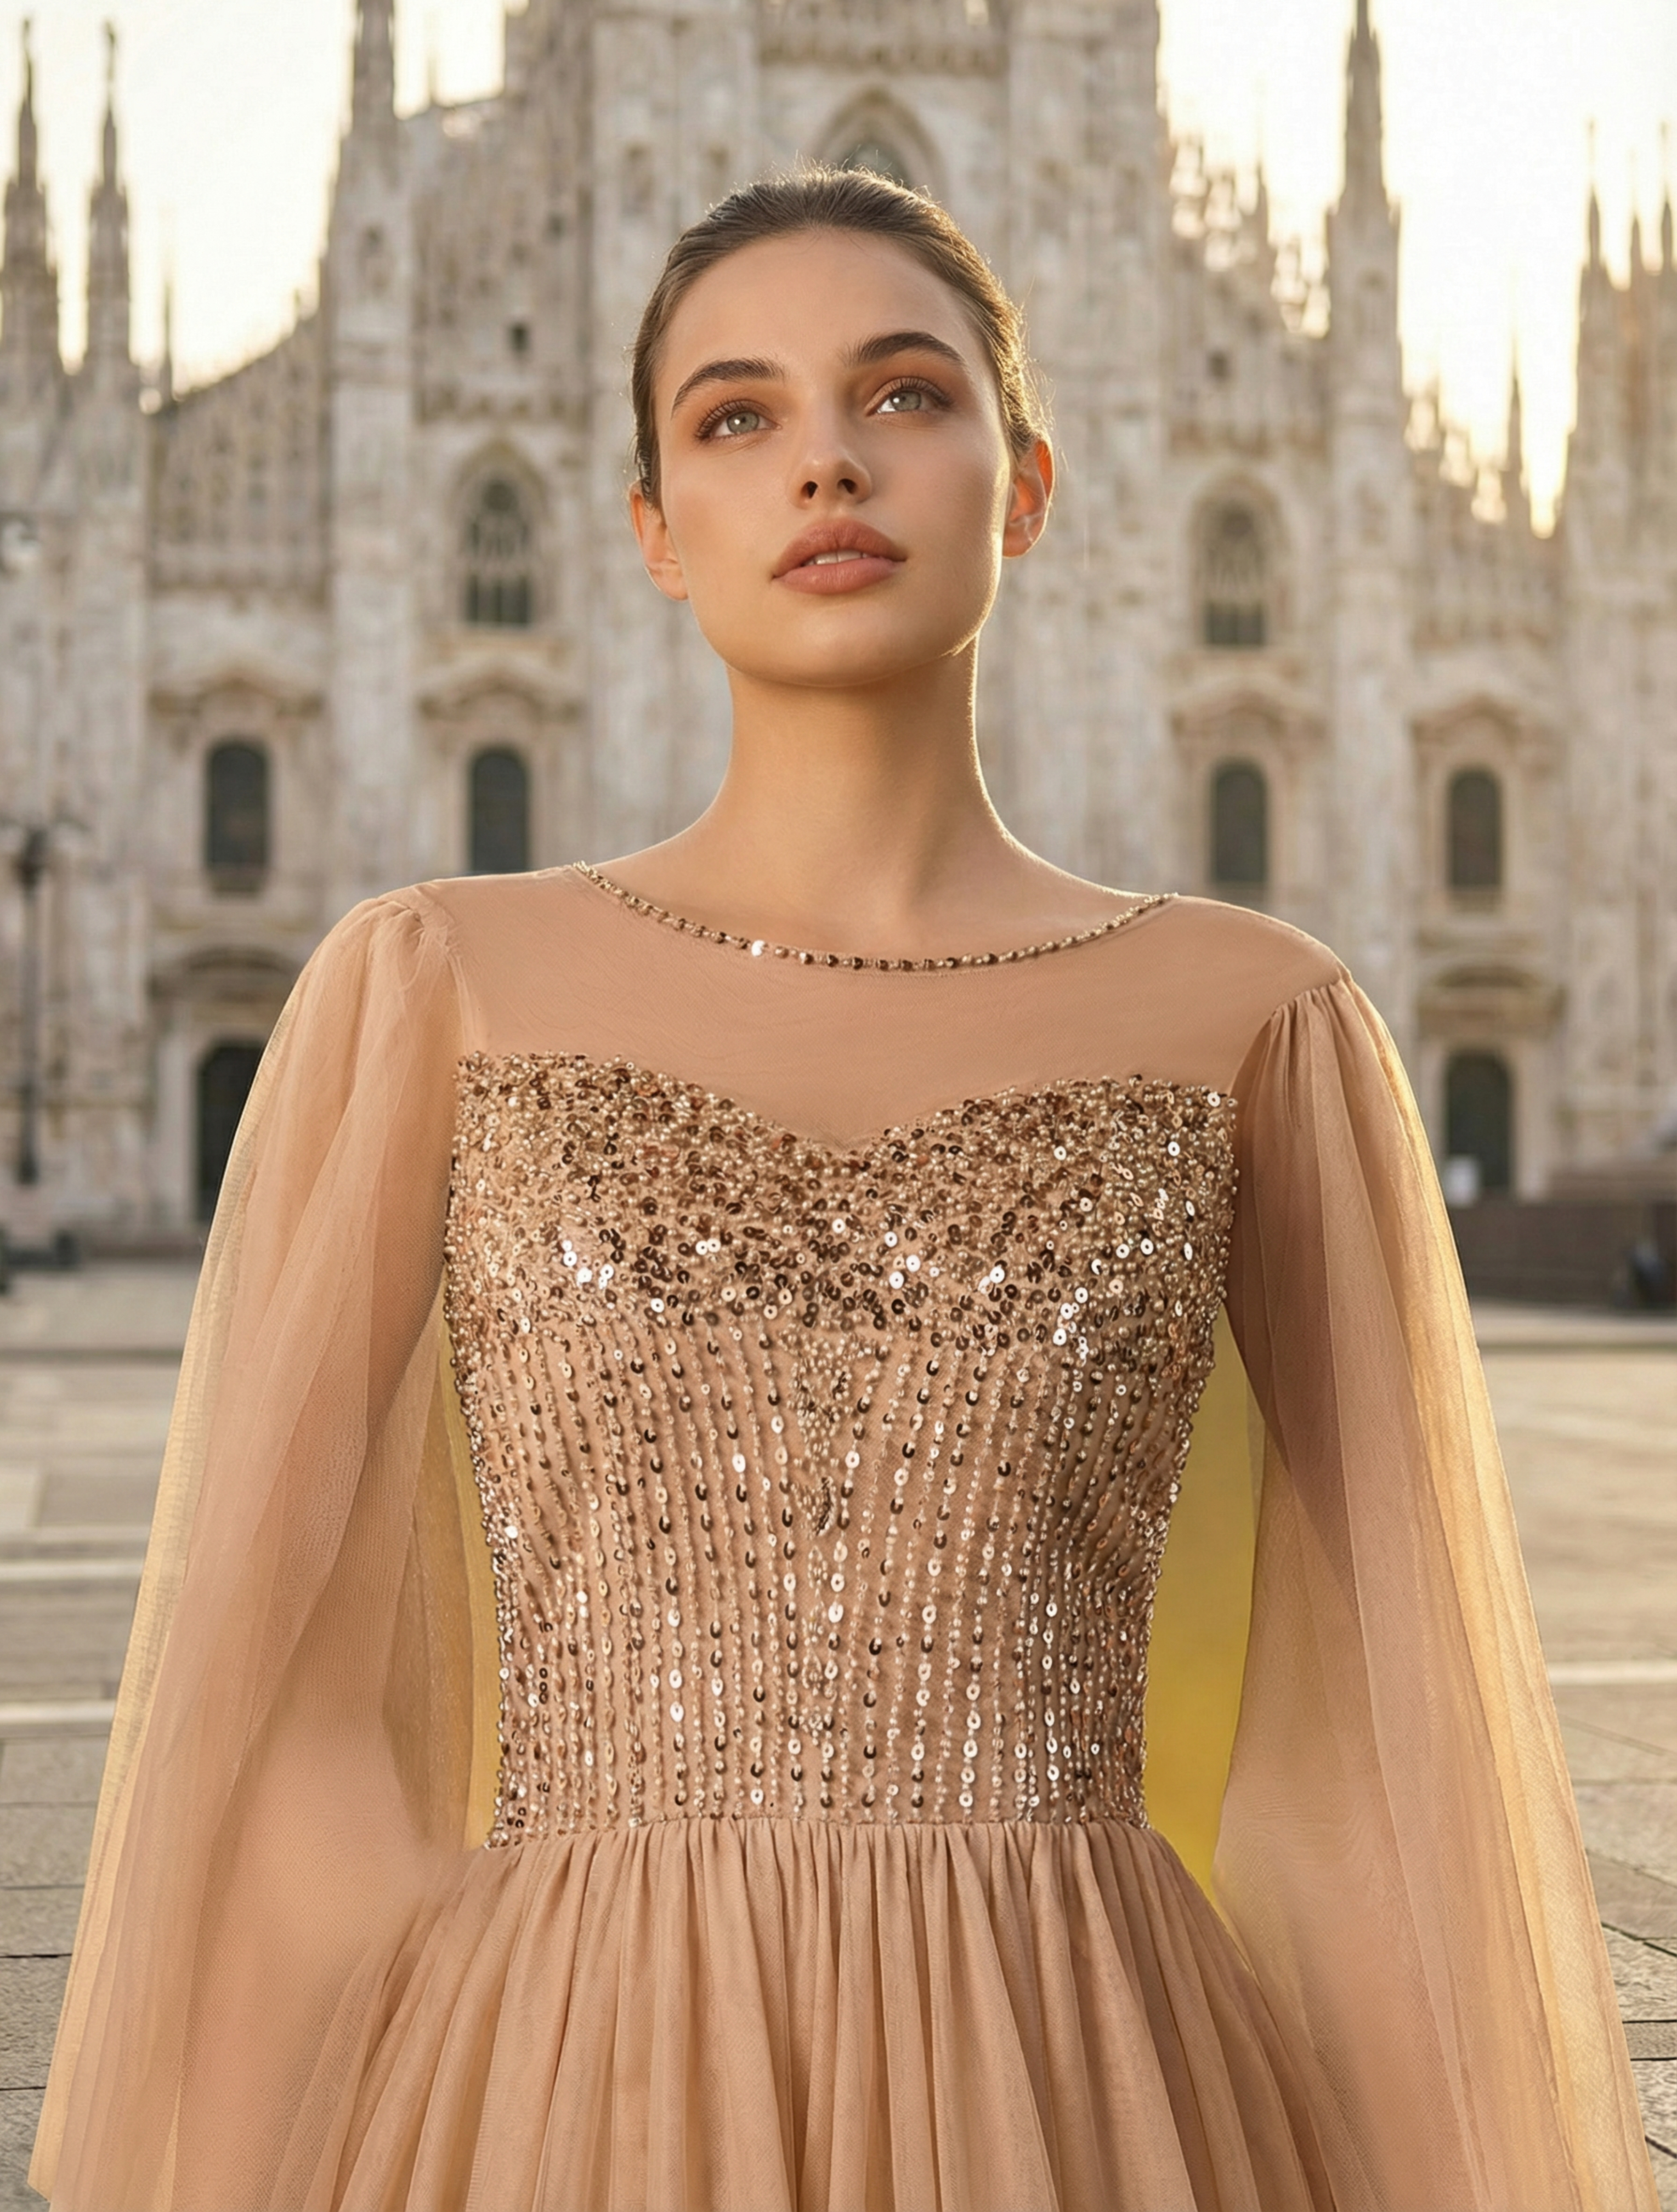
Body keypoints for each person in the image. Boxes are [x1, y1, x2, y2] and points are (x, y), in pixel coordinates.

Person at [33, 169, 1653, 2210]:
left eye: (904, 393)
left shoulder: (1266, 1018)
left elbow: (1361, 1786)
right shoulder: (425, 983)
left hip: (1077, 2077)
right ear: (645, 525)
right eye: (733, 416)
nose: (823, 459)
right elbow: (280, 1720)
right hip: (557, 2076)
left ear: (1032, 481)